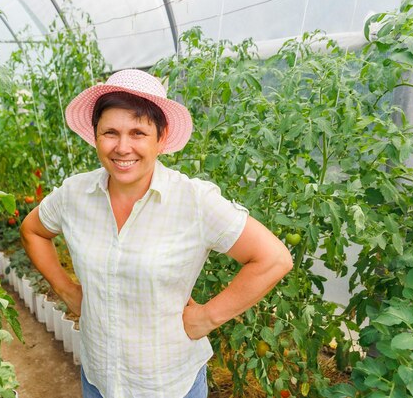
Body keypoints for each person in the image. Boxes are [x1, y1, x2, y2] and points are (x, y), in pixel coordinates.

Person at [20, 69, 293, 398]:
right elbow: (33, 230)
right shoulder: (74, 194)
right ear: (95, 136)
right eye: (110, 132)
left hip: (168, 384)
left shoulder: (193, 200)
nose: (123, 147)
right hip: (99, 380)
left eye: (138, 132)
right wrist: (67, 292)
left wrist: (206, 317)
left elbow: (273, 259)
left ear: (161, 139)